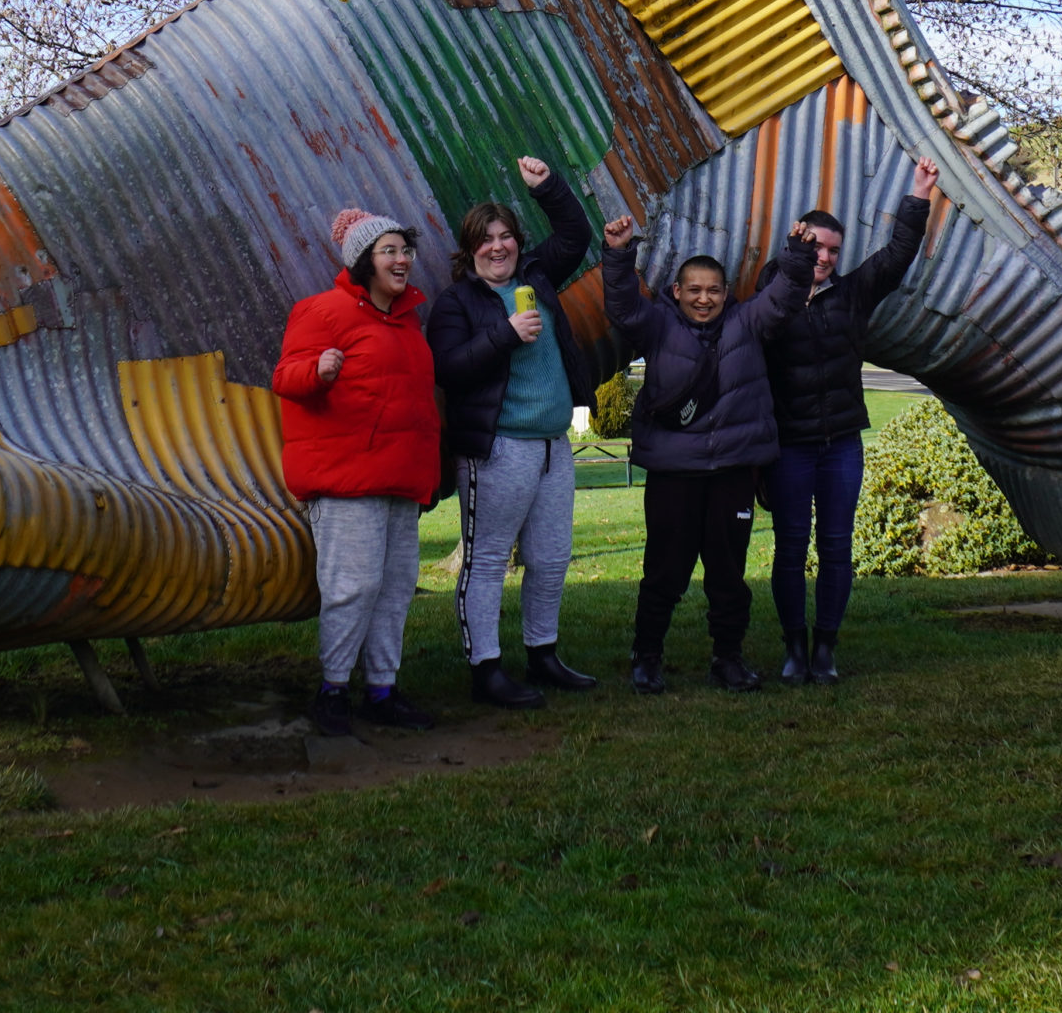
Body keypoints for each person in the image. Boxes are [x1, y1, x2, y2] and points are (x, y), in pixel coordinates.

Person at [602, 214, 817, 694]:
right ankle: (647, 657)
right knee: (663, 570)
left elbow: (783, 299)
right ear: (676, 292)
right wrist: (617, 255)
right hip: (673, 474)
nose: (704, 298)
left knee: (728, 574)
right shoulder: (656, 324)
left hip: (732, 472)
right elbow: (621, 306)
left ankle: (728, 658)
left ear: (726, 294)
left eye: (714, 290)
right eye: (694, 290)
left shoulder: (747, 322)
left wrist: (800, 254)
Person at [755, 158, 939, 685]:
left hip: (840, 445)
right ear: (797, 245)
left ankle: (825, 650)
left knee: (836, 545)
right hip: (789, 446)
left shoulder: (853, 294)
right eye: (815, 247)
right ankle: (793, 648)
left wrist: (919, 193)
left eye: (834, 250)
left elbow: (898, 253)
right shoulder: (772, 299)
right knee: (790, 547)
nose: (826, 258)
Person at [427, 156, 600, 711]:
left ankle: (543, 654)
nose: (498, 247)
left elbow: (576, 234)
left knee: (550, 557)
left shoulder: (537, 275)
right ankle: (486, 669)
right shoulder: (457, 302)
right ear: (469, 247)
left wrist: (546, 186)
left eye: (506, 237)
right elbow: (448, 370)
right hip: (498, 449)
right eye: (486, 239)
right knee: (489, 558)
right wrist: (503, 335)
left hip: (553, 446)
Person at [275, 208, 441, 737]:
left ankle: (382, 691)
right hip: (347, 479)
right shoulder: (320, 311)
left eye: (405, 250)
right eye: (389, 250)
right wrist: (317, 371)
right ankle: (331, 691)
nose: (402, 259)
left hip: (401, 476)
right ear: (363, 261)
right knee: (353, 586)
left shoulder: (407, 320)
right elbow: (285, 377)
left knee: (394, 587)